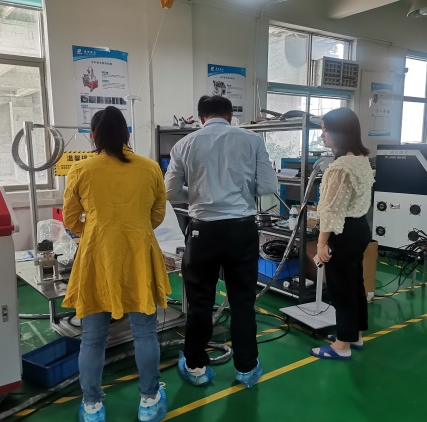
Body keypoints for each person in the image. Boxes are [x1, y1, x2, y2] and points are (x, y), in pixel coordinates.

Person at [63, 106, 171, 422]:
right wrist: (135, 229)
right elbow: (157, 214)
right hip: (139, 254)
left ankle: (92, 406)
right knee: (145, 332)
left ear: (93, 135)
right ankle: (149, 401)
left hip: (96, 257)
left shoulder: (81, 170)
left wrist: (96, 231)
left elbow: (70, 219)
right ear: (126, 134)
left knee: (93, 337)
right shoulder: (150, 168)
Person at [165, 95, 278, 388]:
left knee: (200, 302)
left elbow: (171, 192)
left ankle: (196, 368)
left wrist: (199, 193)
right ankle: (247, 368)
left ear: (201, 118)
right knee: (242, 301)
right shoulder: (251, 140)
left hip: (203, 232)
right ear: (230, 116)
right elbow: (268, 186)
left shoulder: (184, 144)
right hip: (241, 230)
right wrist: (238, 191)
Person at [310, 107, 375, 360]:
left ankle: (342, 346)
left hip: (343, 232)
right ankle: (354, 334)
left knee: (341, 289)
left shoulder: (340, 167)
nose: (322, 135)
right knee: (354, 284)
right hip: (359, 229)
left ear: (340, 133)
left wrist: (321, 244)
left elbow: (332, 210)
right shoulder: (361, 160)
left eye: (325, 130)